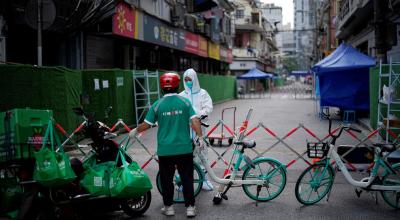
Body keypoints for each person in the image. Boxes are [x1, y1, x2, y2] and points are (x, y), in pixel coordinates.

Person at [129, 72, 205, 218]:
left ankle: (168, 207)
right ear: (177, 85)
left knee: (166, 179)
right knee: (187, 178)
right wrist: (200, 137)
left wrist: (135, 130)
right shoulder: (185, 102)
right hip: (184, 148)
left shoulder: (157, 105)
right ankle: (190, 208)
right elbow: (195, 121)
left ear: (162, 86)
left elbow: (147, 124)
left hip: (165, 151)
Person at [179, 68, 214, 191]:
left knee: (202, 155)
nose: (188, 82)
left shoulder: (203, 93)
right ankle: (183, 182)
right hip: (185, 131)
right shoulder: (181, 95)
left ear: (195, 80)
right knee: (185, 157)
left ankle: (203, 180)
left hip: (200, 130)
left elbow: (208, 109)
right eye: (186, 80)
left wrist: (196, 113)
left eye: (190, 80)